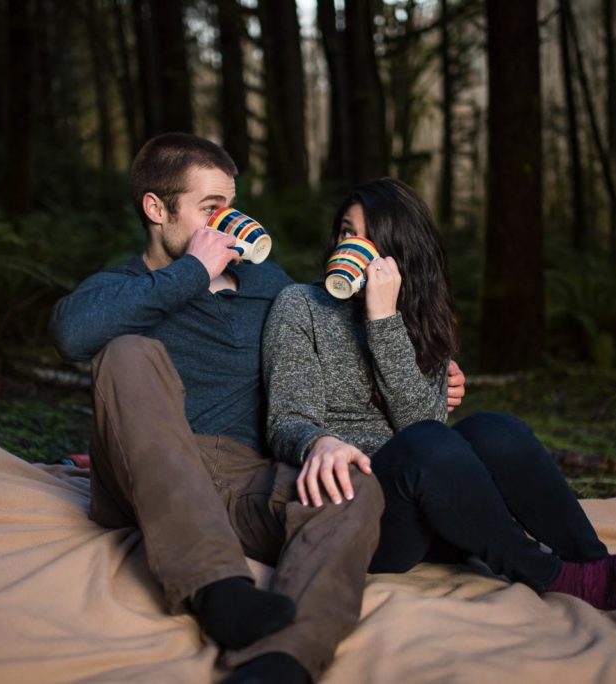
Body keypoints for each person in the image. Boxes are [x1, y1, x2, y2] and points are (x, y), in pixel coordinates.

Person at [262, 177, 616, 618]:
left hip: (439, 508)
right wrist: (322, 441)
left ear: (399, 251)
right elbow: (288, 420)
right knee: (428, 444)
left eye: (368, 237)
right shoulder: (302, 306)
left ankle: (595, 564)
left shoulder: (420, 315)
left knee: (496, 429)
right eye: (347, 232)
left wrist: (385, 319)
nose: (350, 245)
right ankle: (554, 575)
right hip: (365, 514)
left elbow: (423, 422)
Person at [48, 133, 385, 684]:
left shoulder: (266, 283)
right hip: (152, 477)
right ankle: (217, 589)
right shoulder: (126, 285)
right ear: (156, 208)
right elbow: (71, 332)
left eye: (231, 207)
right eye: (211, 209)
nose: (228, 223)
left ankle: (278, 662)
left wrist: (424, 370)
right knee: (129, 352)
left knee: (353, 484)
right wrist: (191, 273)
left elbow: (325, 348)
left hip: (246, 478)